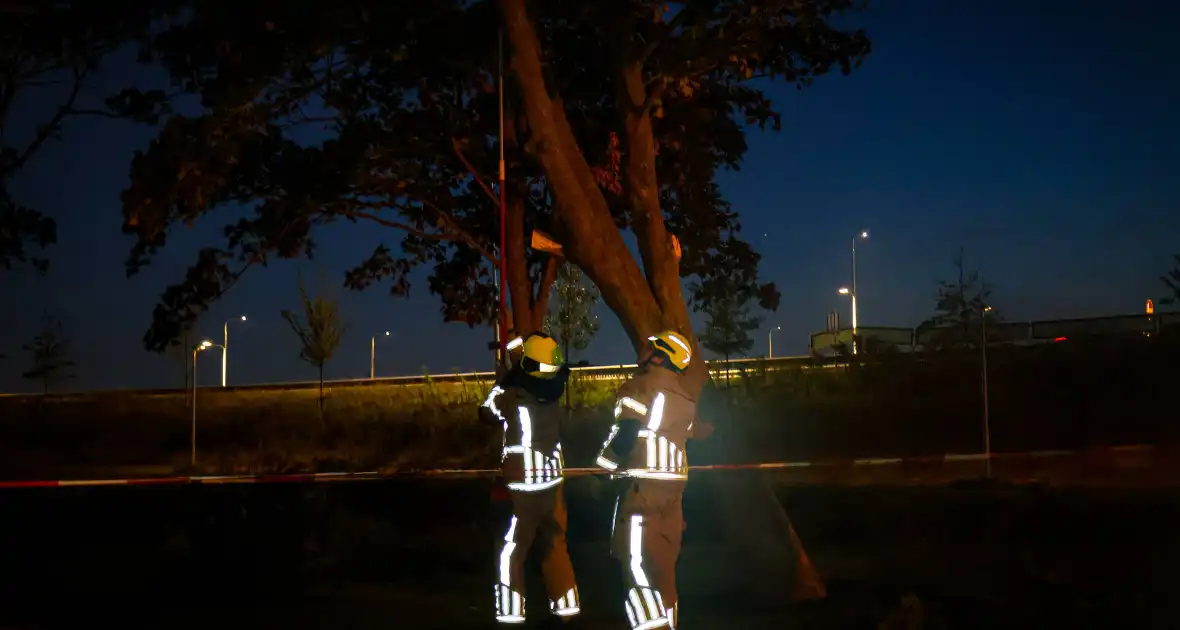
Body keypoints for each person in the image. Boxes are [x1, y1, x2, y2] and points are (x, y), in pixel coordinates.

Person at [595, 330, 697, 630]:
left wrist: (601, 469)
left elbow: (625, 436)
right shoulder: (686, 397)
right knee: (664, 573)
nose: (644, 349)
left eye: (651, 346)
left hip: (642, 493)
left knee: (636, 568)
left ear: (659, 354)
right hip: (674, 492)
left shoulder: (639, 387)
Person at [480, 332, 581, 626]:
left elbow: (485, 412)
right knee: (555, 545)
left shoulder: (512, 396)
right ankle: (568, 611)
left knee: (512, 551)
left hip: (521, 486)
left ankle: (511, 616)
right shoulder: (554, 393)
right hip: (552, 484)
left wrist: (507, 376)